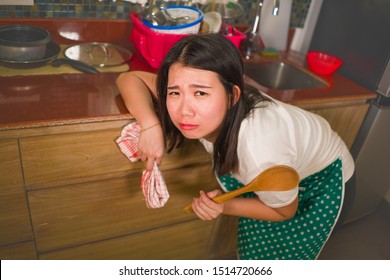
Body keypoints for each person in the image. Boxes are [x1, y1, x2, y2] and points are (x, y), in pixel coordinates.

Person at [116, 34, 354, 260]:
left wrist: (223, 206)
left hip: (321, 182)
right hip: (279, 171)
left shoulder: (260, 150)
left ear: (232, 95)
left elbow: (284, 212)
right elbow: (128, 78)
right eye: (174, 93)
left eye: (200, 93)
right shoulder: (210, 91)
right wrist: (150, 125)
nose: (184, 111)